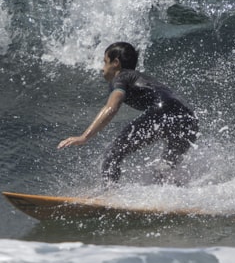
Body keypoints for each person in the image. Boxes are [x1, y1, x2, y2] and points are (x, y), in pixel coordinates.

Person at [58, 41, 199, 183]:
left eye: (105, 62)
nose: (102, 68)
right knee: (164, 169)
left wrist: (84, 137)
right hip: (188, 118)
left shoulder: (120, 77)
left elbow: (112, 107)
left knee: (113, 154)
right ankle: (175, 197)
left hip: (163, 112)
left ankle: (109, 195)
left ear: (116, 63)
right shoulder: (140, 78)